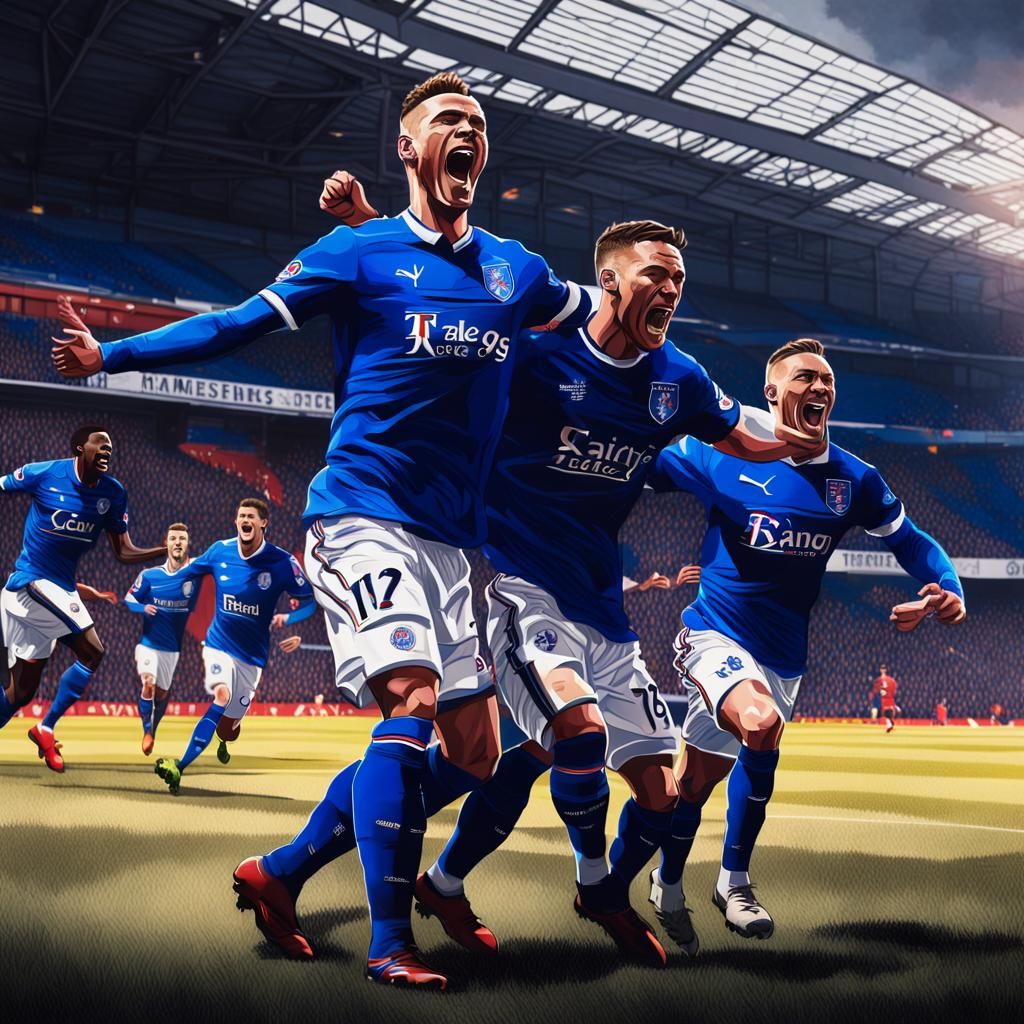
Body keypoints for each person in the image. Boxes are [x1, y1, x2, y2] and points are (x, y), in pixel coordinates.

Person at [52, 71, 591, 991]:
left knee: (473, 753)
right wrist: (115, 355)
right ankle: (390, 944)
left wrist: (679, 359)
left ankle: (283, 872)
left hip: (458, 548)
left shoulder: (517, 269)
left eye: (479, 123)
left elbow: (600, 321)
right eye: (448, 121)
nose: (469, 132)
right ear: (411, 146)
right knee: (412, 704)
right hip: (363, 516)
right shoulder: (358, 253)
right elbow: (238, 324)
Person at [234, 213, 820, 967]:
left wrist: (811, 440)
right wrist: (363, 232)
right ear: (608, 279)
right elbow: (461, 308)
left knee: (567, 775)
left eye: (679, 277)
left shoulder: (677, 381)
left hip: (603, 612)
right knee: (570, 732)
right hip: (522, 590)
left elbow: (745, 434)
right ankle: (592, 885)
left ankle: (300, 872)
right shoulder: (535, 356)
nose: (672, 287)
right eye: (657, 273)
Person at [647, 338, 965, 951]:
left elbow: (915, 543)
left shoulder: (853, 478)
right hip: (711, 632)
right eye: (804, 378)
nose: (819, 388)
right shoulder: (720, 452)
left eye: (826, 380)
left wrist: (943, 587)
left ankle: (665, 881)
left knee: (698, 780)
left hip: (783, 656)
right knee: (760, 726)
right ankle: (733, 883)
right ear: (771, 393)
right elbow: (633, 468)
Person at [0, 426, 164, 771]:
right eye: (100, 445)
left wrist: (162, 550)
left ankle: (42, 729)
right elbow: (2, 484)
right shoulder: (44, 473)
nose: (106, 451)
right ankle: (46, 727)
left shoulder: (113, 493)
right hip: (30, 583)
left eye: (110, 448)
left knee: (21, 693)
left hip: (58, 589)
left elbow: (123, 551)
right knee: (94, 649)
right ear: (80, 447)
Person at [152, 499, 312, 793]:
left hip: (252, 658)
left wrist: (289, 619)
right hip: (218, 645)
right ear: (236, 523)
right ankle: (180, 766)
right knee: (221, 696)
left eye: (251, 516)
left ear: (264, 523)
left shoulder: (282, 562)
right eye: (241, 516)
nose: (245, 520)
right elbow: (187, 570)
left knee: (228, 728)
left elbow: (309, 600)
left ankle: (225, 738)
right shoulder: (219, 551)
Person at [124, 522, 200, 754]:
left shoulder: (195, 571)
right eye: (173, 538)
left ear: (188, 544)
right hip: (148, 645)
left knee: (162, 693)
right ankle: (146, 730)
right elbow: (129, 599)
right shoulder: (149, 575)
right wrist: (142, 608)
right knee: (148, 682)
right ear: (165, 543)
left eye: (182, 539)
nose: (178, 542)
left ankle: (154, 729)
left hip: (172, 649)